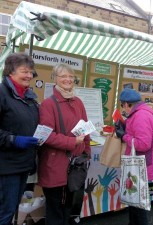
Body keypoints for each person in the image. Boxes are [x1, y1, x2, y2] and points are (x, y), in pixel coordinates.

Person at [38, 63, 91, 225]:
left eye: (70, 76)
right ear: (55, 79)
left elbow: (85, 128)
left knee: (68, 209)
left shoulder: (78, 102)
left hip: (75, 167)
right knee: (55, 212)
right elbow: (45, 137)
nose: (68, 79)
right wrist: (72, 142)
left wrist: (86, 152)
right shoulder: (48, 104)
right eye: (63, 76)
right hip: (55, 166)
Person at [0, 53, 39, 225]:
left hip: (23, 163)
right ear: (10, 72)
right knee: (5, 210)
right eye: (25, 71)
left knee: (13, 207)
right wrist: (13, 139)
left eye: (31, 72)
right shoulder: (2, 93)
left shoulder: (28, 97)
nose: (29, 76)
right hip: (6, 166)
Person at [114, 88, 153, 225]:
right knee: (134, 203)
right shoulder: (139, 113)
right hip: (140, 165)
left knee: (139, 207)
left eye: (123, 105)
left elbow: (143, 144)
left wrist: (124, 136)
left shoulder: (141, 116)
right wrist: (125, 126)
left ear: (127, 104)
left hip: (141, 167)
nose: (123, 109)